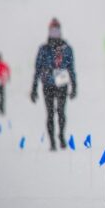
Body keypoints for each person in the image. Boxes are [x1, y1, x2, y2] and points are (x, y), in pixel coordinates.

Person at [30, 18, 77, 151]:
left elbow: (71, 69)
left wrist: (74, 86)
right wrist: (33, 88)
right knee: (50, 114)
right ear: (49, 31)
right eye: (52, 30)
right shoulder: (44, 49)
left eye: (57, 30)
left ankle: (61, 136)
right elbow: (37, 69)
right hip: (48, 83)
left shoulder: (67, 49)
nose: (55, 33)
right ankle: (52, 142)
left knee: (61, 112)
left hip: (62, 83)